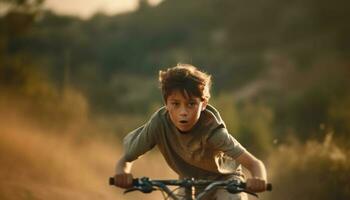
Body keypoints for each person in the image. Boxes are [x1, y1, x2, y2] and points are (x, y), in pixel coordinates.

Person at [113, 64, 267, 200]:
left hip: (225, 182)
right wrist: (122, 173)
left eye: (191, 104)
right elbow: (127, 157)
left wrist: (259, 178)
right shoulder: (159, 123)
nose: (183, 112)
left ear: (204, 104)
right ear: (165, 103)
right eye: (175, 104)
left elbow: (254, 164)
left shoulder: (212, 131)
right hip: (188, 184)